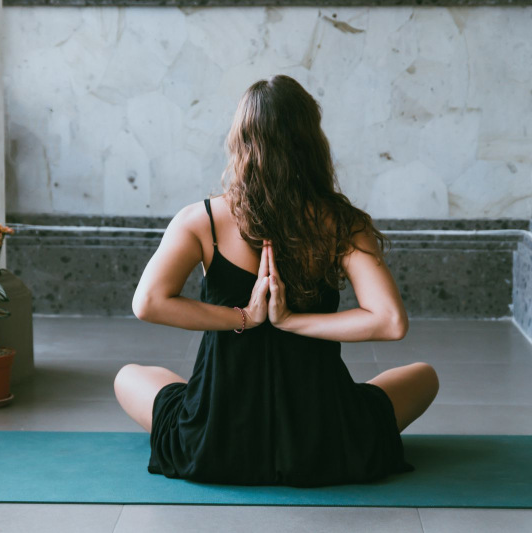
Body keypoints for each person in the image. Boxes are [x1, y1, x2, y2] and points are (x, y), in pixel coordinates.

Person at [113, 75, 439, 487]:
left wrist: (245, 318)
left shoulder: (201, 220)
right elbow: (391, 322)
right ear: (311, 142)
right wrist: (291, 321)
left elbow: (148, 303)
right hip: (326, 442)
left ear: (240, 141)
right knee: (424, 375)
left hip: (216, 441)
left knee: (129, 376)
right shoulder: (342, 223)